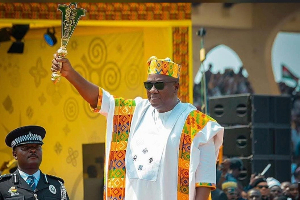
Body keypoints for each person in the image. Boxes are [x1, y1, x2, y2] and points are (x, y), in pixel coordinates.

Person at [51, 55, 224, 200]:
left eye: (160, 85)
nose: (153, 90)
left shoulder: (199, 126)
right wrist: (70, 74)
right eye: (149, 85)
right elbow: (100, 99)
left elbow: (204, 183)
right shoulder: (135, 112)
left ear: (176, 87)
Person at [0, 125, 69, 200]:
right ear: (15, 154)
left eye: (37, 147)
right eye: (26, 147)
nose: (33, 150)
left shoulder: (57, 185)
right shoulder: (3, 186)